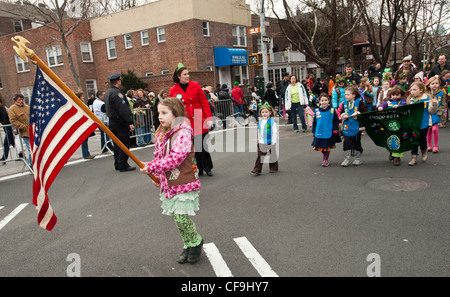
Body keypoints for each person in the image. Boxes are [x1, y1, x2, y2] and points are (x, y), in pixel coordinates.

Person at [140, 98, 203, 264]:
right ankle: (188, 244)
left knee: (182, 217)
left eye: (164, 113)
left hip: (185, 180)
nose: (160, 116)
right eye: (159, 113)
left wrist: (151, 167)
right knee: (177, 219)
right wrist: (160, 178)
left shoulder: (183, 132)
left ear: (176, 113)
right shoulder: (162, 133)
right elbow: (160, 157)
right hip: (171, 182)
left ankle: (196, 241)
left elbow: (176, 158)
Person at [169, 63, 213, 176]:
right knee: (191, 147)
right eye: (185, 74)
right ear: (179, 76)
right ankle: (198, 169)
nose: (187, 76)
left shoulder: (195, 85)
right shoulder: (173, 90)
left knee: (201, 145)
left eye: (188, 74)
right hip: (184, 121)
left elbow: (204, 102)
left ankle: (207, 167)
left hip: (198, 117)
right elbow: (172, 107)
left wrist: (208, 118)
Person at [104, 73, 136, 172]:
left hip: (112, 122)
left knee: (117, 145)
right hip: (120, 122)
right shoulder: (118, 94)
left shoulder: (107, 92)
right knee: (124, 144)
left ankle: (117, 163)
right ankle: (123, 164)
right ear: (118, 81)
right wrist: (129, 122)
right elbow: (123, 109)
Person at [406, 82, 438, 166]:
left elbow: (431, 111)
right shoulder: (410, 100)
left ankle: (424, 151)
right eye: (411, 90)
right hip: (413, 124)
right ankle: (413, 157)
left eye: (415, 90)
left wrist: (434, 104)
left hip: (424, 123)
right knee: (413, 140)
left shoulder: (427, 99)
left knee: (422, 140)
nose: (412, 91)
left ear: (421, 90)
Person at [377, 85, 407, 165]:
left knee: (398, 138)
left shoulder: (402, 101)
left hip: (399, 124)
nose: (394, 97)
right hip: (389, 124)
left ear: (401, 94)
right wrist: (380, 107)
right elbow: (382, 105)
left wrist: (399, 106)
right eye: (393, 95)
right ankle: (391, 151)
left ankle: (397, 156)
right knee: (389, 137)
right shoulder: (388, 102)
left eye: (397, 95)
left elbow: (405, 107)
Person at [338, 85, 368, 166]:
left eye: (348, 94)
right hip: (347, 126)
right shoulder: (344, 103)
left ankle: (358, 158)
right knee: (346, 142)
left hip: (357, 126)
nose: (346, 96)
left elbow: (365, 112)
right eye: (345, 94)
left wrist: (358, 114)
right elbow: (340, 112)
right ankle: (346, 159)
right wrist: (343, 115)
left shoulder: (360, 103)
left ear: (354, 95)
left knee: (356, 142)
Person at [311, 93, 341, 167]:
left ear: (328, 101)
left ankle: (325, 159)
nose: (324, 102)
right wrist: (313, 131)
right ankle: (324, 156)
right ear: (319, 101)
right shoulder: (317, 111)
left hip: (328, 132)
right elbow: (314, 122)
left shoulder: (332, 110)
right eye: (322, 100)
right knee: (321, 147)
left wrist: (335, 129)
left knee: (327, 147)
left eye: (325, 100)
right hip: (319, 132)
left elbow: (336, 121)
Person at [251, 103, 278, 175]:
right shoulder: (260, 122)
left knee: (272, 155)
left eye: (266, 112)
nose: (264, 114)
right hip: (262, 141)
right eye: (262, 112)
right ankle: (257, 169)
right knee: (260, 155)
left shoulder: (272, 122)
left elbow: (274, 132)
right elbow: (259, 131)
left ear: (270, 113)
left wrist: (274, 141)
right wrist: (259, 139)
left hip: (270, 141)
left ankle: (273, 167)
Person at [8, 93, 32, 167]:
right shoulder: (12, 109)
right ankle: (31, 166)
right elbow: (13, 120)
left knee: (37, 150)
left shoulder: (27, 107)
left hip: (33, 131)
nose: (21, 101)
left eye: (22, 99)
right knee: (31, 151)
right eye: (19, 100)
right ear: (15, 101)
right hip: (25, 133)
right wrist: (22, 126)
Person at [425, 75, 444, 153]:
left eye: (436, 83)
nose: (435, 85)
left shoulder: (441, 93)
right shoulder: (426, 94)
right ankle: (429, 145)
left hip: (436, 114)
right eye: (432, 83)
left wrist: (439, 112)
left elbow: (443, 104)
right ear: (429, 85)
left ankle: (435, 146)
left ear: (439, 84)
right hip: (428, 113)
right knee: (429, 130)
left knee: (435, 128)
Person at [75, 92, 95, 160]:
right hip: (81, 124)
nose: (83, 98)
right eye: (82, 96)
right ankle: (86, 154)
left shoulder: (81, 104)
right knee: (83, 140)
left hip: (84, 123)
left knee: (85, 140)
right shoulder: (78, 105)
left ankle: (86, 153)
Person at [0, 95, 15, 163]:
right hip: (5, 127)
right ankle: (21, 154)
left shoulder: (5, 109)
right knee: (12, 142)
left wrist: (14, 129)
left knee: (7, 142)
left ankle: (4, 157)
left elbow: (11, 118)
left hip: (9, 127)